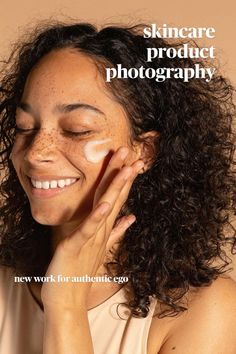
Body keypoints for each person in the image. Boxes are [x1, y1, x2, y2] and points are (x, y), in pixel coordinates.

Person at [0, 21, 236, 354]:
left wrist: (66, 302)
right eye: (24, 128)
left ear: (145, 151)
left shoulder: (205, 311)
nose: (36, 153)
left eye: (77, 130)